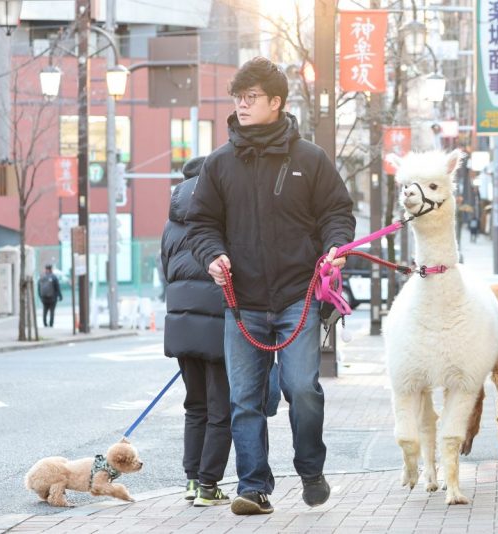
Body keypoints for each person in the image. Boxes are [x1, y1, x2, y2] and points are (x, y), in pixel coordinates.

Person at [185, 57, 355, 515]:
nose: (241, 104)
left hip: (298, 296)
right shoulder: (219, 163)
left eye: (251, 97)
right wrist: (212, 255)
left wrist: (337, 246)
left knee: (302, 388)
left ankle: (310, 469)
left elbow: (338, 213)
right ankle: (254, 487)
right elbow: (200, 223)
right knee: (243, 400)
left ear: (276, 102)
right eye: (238, 97)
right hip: (242, 301)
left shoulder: (309, 159)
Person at [162, 156, 284, 507]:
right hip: (219, 319)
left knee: (194, 405)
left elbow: (165, 270)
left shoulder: (171, 222)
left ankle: (190, 480)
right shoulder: (221, 215)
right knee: (221, 409)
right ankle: (208, 484)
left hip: (180, 322)